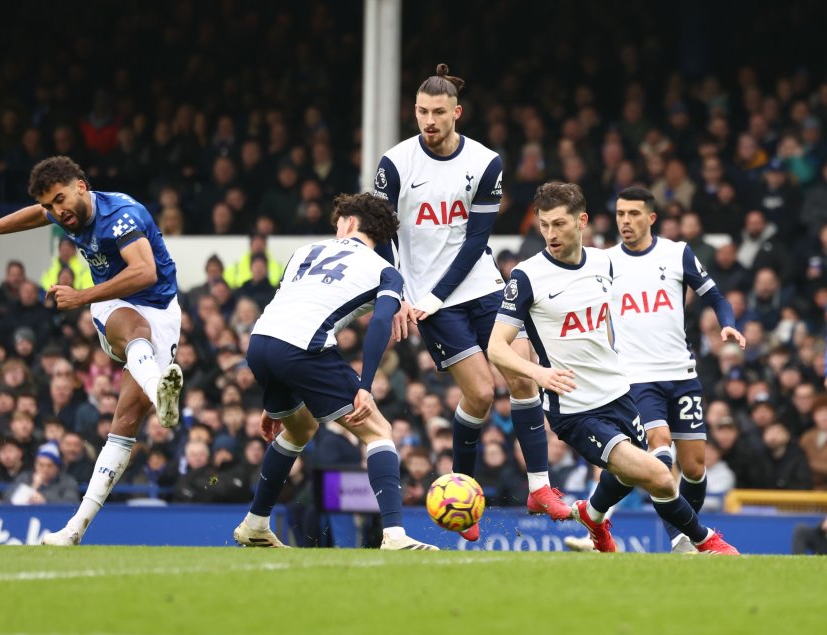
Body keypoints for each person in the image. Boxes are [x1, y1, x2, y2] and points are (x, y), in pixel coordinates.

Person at [487, 182, 739, 554]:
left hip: (619, 393)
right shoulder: (528, 276)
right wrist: (539, 374)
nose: (551, 235)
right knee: (660, 475)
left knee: (626, 474)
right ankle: (706, 542)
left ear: (582, 221)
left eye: (559, 224)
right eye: (544, 225)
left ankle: (591, 515)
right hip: (574, 408)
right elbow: (495, 347)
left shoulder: (605, 263)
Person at [373, 64, 567, 543]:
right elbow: (380, 234)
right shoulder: (394, 165)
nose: (429, 120)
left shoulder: (485, 163)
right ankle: (464, 492)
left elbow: (476, 239)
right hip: (426, 300)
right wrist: (399, 292)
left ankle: (540, 486)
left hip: (477, 285)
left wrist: (437, 295)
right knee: (480, 393)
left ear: (457, 112)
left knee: (520, 371)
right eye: (421, 111)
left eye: (438, 112)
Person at [0, 155, 184, 545]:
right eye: (49, 205)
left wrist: (80, 296)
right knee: (133, 327)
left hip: (160, 311)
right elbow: (33, 216)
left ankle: (74, 530)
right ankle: (162, 392)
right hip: (114, 306)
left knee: (125, 422)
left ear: (81, 187)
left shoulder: (121, 215)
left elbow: (145, 273)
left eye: (59, 199)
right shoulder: (61, 211)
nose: (56, 211)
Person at [233, 192, 437, 551]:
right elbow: (380, 325)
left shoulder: (304, 251)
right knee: (378, 430)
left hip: (261, 343)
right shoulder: (385, 271)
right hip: (302, 348)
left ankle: (255, 524)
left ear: (350, 223)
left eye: (339, 220)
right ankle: (394, 535)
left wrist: (274, 391)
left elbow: (287, 304)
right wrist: (366, 385)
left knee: (301, 427)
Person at [598, 186, 746, 552]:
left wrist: (726, 322)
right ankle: (681, 538)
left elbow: (715, 295)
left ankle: (685, 538)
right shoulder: (604, 262)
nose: (625, 221)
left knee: (694, 466)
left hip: (681, 374)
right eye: (620, 214)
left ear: (651, 218)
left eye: (633, 214)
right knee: (660, 449)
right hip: (635, 376)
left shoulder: (677, 253)